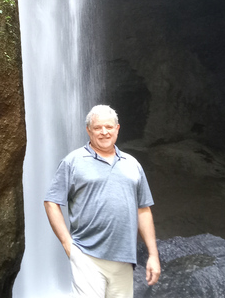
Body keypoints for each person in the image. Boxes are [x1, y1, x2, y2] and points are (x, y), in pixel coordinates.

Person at [44, 104, 161, 298]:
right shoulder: (73, 161)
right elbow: (51, 202)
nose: (104, 132)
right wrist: (68, 244)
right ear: (89, 130)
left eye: (108, 127)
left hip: (124, 258)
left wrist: (153, 255)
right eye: (97, 128)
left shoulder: (132, 164)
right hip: (87, 255)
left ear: (117, 129)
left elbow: (144, 210)